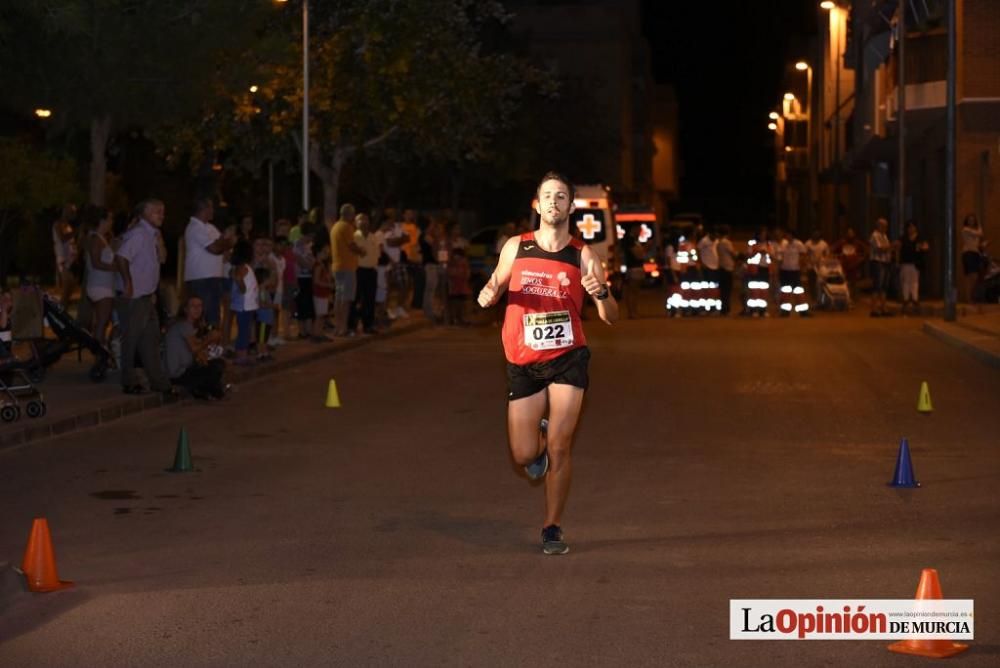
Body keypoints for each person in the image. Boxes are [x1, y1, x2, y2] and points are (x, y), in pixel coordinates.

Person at [477, 172, 619, 556]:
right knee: (524, 454)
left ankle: (552, 526)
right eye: (547, 196)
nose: (554, 202)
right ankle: (535, 450)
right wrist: (489, 294)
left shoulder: (583, 255)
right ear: (536, 205)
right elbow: (495, 285)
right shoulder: (517, 247)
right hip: (522, 359)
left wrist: (602, 294)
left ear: (571, 206)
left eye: (561, 196)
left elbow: (611, 315)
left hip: (568, 358)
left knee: (560, 445)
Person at [114, 199, 173, 395]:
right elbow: (121, 257)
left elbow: (163, 259)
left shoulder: (153, 235)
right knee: (131, 340)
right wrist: (128, 283)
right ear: (144, 213)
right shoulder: (139, 234)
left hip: (146, 296)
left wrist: (160, 242)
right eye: (157, 211)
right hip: (135, 297)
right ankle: (129, 382)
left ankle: (159, 382)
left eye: (163, 211)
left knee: (150, 340)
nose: (161, 214)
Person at [183, 197, 234, 327]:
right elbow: (215, 248)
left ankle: (212, 346)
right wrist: (223, 241)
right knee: (202, 315)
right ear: (203, 209)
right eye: (211, 207)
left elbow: (227, 245)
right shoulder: (195, 227)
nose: (213, 211)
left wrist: (222, 242)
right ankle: (203, 345)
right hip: (201, 278)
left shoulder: (210, 227)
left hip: (212, 277)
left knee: (213, 314)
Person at [164, 296, 226, 399]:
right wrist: (209, 339)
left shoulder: (190, 326)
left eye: (200, 306)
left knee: (215, 363)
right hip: (177, 374)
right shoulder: (184, 325)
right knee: (216, 366)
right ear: (185, 309)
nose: (197, 309)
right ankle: (211, 391)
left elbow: (199, 352)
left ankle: (202, 390)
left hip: (183, 370)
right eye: (193, 306)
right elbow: (194, 348)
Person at [81, 206, 117, 348]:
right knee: (102, 323)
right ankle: (99, 355)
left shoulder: (101, 238)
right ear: (102, 220)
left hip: (102, 285)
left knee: (102, 322)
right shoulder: (96, 238)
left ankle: (100, 353)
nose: (112, 222)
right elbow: (96, 263)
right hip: (101, 286)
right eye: (110, 219)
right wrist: (116, 267)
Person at [330, 204, 365, 337]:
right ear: (350, 215)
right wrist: (361, 251)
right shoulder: (346, 227)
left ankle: (337, 326)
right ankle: (343, 327)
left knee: (339, 298)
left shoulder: (335, 226)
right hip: (347, 266)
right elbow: (352, 245)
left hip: (337, 266)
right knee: (346, 299)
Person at [229, 239, 258, 365]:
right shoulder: (242, 268)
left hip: (245, 305)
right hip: (244, 305)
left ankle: (242, 353)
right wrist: (240, 283)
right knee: (244, 330)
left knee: (244, 330)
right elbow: (242, 287)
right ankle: (241, 355)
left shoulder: (241, 267)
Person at [351, 212, 381, 335]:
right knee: (355, 299)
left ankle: (368, 325)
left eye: (366, 219)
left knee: (370, 299)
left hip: (371, 271)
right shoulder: (354, 237)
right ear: (355, 223)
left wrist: (375, 268)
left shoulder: (373, 236)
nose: (363, 222)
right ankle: (352, 325)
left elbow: (377, 254)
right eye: (360, 220)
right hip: (358, 270)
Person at [896, 221, 930, 315]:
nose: (911, 229)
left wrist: (923, 247)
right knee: (906, 281)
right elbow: (898, 248)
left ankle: (915, 299)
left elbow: (926, 247)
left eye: (913, 227)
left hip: (916, 263)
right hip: (906, 262)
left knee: (915, 281)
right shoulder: (903, 238)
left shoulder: (920, 238)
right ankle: (906, 299)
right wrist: (897, 261)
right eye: (909, 227)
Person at [776, 230, 809, 317]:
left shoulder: (798, 244)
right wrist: (778, 268)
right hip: (785, 270)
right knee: (785, 291)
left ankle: (803, 311)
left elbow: (803, 257)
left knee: (798, 291)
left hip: (795, 270)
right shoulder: (784, 244)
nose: (787, 236)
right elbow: (780, 256)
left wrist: (802, 269)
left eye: (788, 235)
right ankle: (785, 311)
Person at [52, 204, 79, 309]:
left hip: (70, 260)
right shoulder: (58, 224)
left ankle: (63, 310)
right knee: (67, 286)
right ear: (64, 211)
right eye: (71, 211)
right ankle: (60, 312)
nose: (73, 214)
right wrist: (76, 232)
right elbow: (63, 238)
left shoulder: (68, 226)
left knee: (70, 288)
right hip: (62, 259)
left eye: (74, 212)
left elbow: (71, 243)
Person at [869, 217, 892, 317]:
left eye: (886, 226)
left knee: (884, 286)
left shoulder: (884, 236)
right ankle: (874, 309)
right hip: (878, 262)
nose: (885, 228)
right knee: (877, 285)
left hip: (885, 262)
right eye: (883, 226)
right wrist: (892, 246)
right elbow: (880, 248)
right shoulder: (875, 235)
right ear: (879, 226)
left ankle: (883, 308)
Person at [961, 214, 987, 303]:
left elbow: (977, 241)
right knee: (971, 276)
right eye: (969, 220)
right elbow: (980, 234)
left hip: (975, 253)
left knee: (974, 277)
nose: (971, 221)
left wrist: (982, 245)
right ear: (966, 221)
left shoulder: (974, 231)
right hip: (968, 253)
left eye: (973, 220)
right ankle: (969, 298)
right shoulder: (965, 230)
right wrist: (979, 224)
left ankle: (970, 297)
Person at [622, 224, 646, 318]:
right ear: (634, 229)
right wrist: (645, 248)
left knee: (635, 291)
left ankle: (633, 312)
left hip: (636, 267)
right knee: (632, 291)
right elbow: (638, 255)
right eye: (639, 230)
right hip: (633, 268)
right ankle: (632, 313)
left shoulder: (634, 240)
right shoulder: (630, 240)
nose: (640, 232)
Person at [447, 246, 471, 325]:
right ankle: (455, 319)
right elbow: (451, 273)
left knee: (462, 304)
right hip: (455, 287)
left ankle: (461, 319)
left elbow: (467, 273)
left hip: (461, 287)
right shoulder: (452, 263)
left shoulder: (463, 262)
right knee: (455, 304)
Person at [804, 229, 830, 302]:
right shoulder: (808, 243)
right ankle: (814, 299)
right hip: (811, 266)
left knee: (821, 283)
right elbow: (805, 255)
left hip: (821, 267)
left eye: (817, 235)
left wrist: (824, 261)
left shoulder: (824, 244)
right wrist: (808, 262)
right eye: (814, 234)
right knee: (812, 284)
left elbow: (827, 254)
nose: (816, 236)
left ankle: (822, 299)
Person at [716, 225, 736, 315]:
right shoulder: (726, 242)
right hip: (727, 268)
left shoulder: (719, 242)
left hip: (721, 266)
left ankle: (723, 308)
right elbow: (733, 254)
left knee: (723, 290)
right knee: (727, 290)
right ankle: (725, 308)